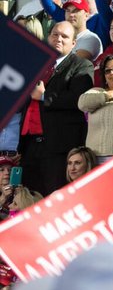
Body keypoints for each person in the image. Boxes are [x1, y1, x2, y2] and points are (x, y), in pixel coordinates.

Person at [19, 21, 93, 196]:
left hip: (59, 148)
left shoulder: (82, 65)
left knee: (54, 198)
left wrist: (44, 97)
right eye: (55, 34)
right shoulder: (37, 64)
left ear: (74, 43)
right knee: (28, 199)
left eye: (64, 36)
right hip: (30, 145)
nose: (58, 39)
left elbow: (78, 99)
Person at [78, 53, 113, 162]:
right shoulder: (96, 91)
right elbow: (82, 103)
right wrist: (110, 95)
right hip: (95, 158)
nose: (111, 73)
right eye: (107, 71)